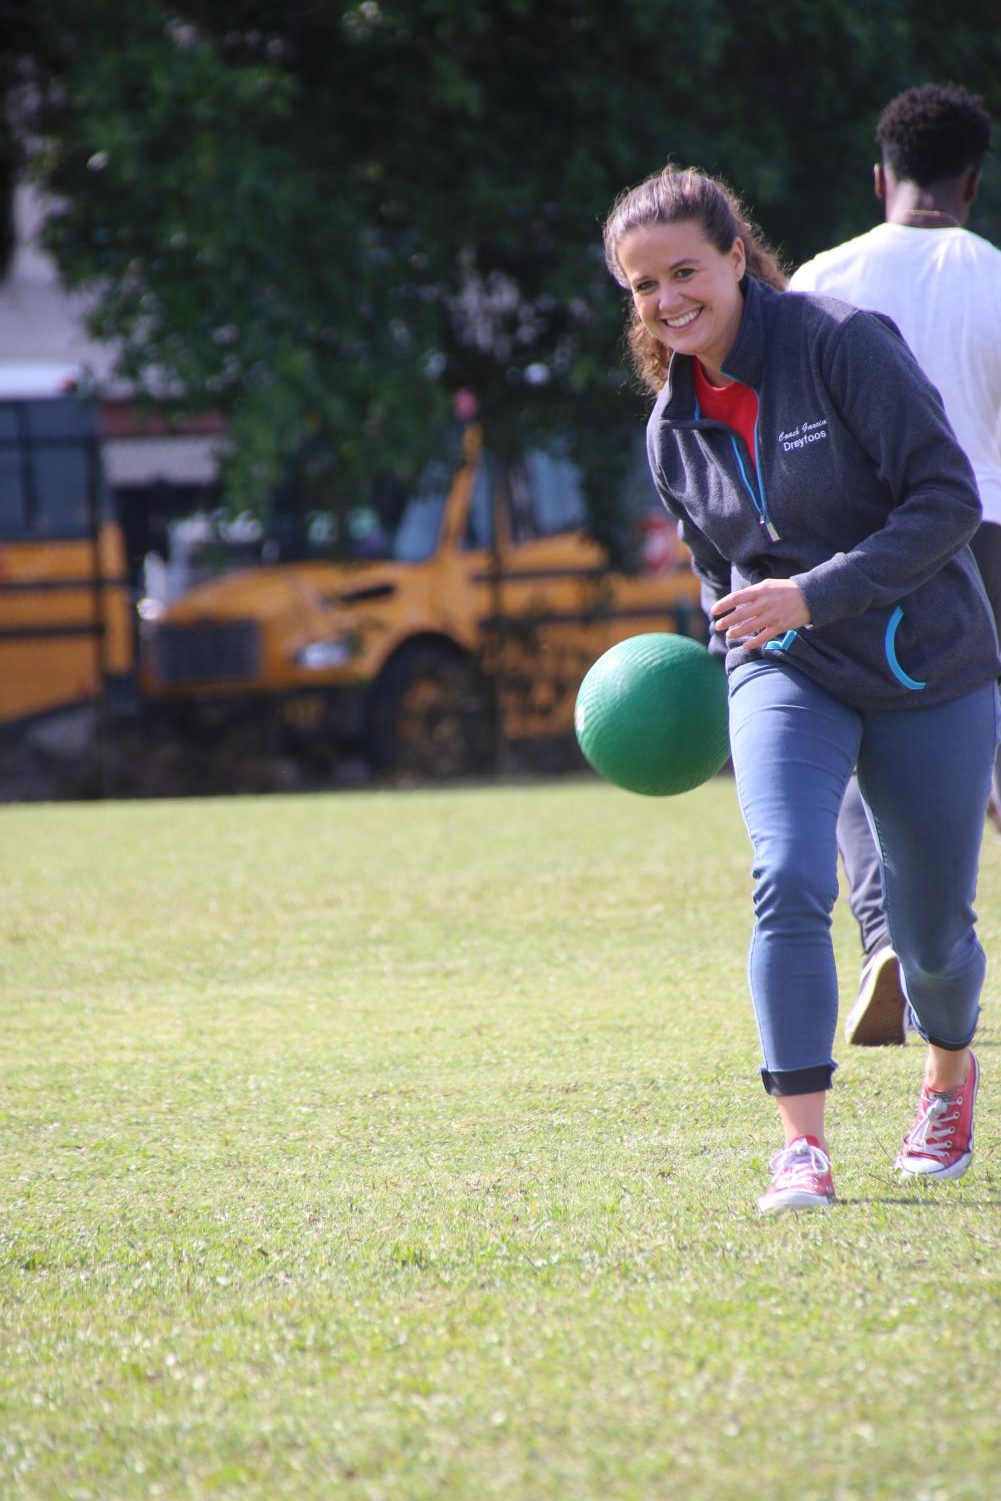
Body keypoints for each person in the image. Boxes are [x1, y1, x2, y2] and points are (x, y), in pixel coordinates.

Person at [602, 164, 999, 1213]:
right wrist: (729, 654)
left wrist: (812, 594)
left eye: (683, 271)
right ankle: (800, 1147)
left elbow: (946, 500)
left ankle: (947, 1079)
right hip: (785, 672)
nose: (665, 300)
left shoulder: (839, 344)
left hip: (929, 666)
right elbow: (714, 571)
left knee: (929, 937)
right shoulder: (666, 429)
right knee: (783, 873)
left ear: (736, 257)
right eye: (641, 286)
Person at [789, 83, 1001, 1049]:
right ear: (971, 181)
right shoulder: (992, 275)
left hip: (860, 550)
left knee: (857, 737)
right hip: (985, 537)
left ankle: (883, 933)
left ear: (879, 177)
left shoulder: (819, 278)